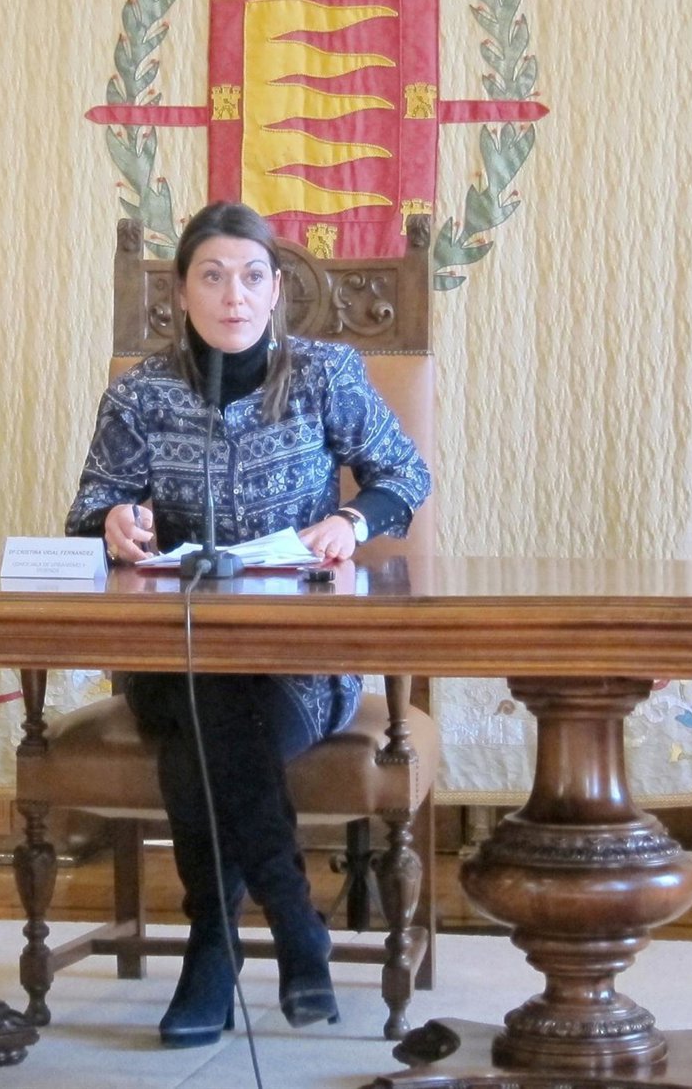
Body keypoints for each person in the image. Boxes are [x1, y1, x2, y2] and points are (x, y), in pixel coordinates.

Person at [65, 201, 430, 1048]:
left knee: (211, 724)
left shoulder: (325, 375)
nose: (234, 295)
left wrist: (352, 521)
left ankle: (212, 946)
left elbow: (403, 477)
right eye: (213, 276)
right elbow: (88, 514)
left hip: (300, 663)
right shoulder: (141, 396)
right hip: (171, 656)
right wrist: (116, 522)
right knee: (206, 699)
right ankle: (296, 927)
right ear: (181, 292)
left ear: (274, 292)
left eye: (252, 276)